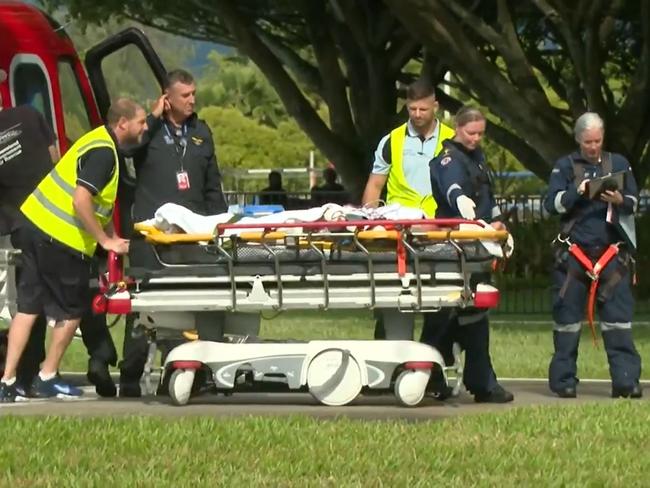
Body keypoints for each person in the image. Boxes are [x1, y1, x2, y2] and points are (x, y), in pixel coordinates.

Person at [119, 69, 259, 397]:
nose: (192, 100)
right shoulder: (148, 131)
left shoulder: (200, 131)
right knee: (144, 306)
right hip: (152, 235)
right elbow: (126, 151)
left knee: (193, 303)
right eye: (185, 95)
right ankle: (130, 375)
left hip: (192, 235)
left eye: (193, 93)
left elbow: (212, 184)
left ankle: (187, 371)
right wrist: (152, 119)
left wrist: (220, 225)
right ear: (167, 99)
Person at [0, 98, 146, 402]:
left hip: (30, 226)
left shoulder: (95, 141)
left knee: (28, 307)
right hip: (59, 237)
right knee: (73, 308)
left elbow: (97, 205)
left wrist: (113, 235)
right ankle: (47, 376)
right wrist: (105, 242)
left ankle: (8, 381)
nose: (145, 127)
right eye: (141, 122)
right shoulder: (104, 153)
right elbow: (82, 201)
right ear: (123, 124)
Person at [543, 112, 642, 399]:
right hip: (573, 255)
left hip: (612, 255)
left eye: (598, 141)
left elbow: (635, 202)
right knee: (567, 320)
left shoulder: (619, 164)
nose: (593, 147)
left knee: (618, 320)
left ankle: (626, 381)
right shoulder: (564, 167)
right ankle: (563, 382)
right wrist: (578, 192)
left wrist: (620, 200)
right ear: (578, 140)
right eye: (588, 142)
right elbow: (552, 204)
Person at [428, 105, 514, 403]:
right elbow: (453, 189)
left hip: (474, 247)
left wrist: (497, 221)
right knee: (446, 317)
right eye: (471, 132)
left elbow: (486, 198)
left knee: (470, 316)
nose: (476, 138)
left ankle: (472, 380)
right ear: (457, 128)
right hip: (455, 249)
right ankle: (437, 377)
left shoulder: (476, 159)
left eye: (480, 134)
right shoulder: (450, 159)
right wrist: (462, 201)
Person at [361, 79, 454, 340]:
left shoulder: (451, 140)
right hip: (397, 231)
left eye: (423, 109)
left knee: (440, 301)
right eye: (412, 109)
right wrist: (368, 222)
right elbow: (375, 185)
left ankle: (431, 364)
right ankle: (386, 363)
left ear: (435, 106)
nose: (417, 115)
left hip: (438, 231)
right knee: (391, 299)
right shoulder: (392, 141)